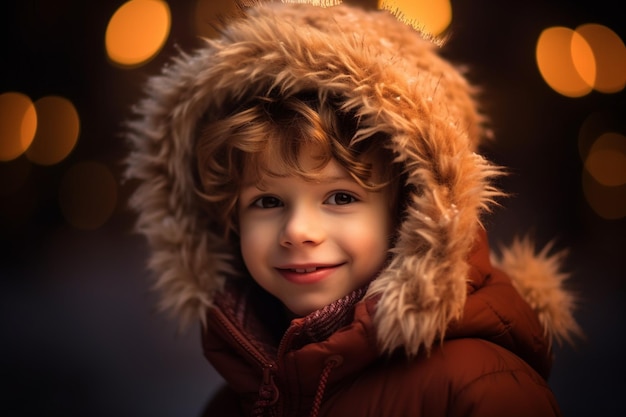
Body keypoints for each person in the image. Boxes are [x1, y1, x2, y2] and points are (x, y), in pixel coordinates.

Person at [124, 1, 581, 416]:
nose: (299, 231)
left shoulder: (478, 387)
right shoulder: (239, 398)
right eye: (267, 201)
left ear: (411, 213)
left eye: (341, 197)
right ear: (227, 219)